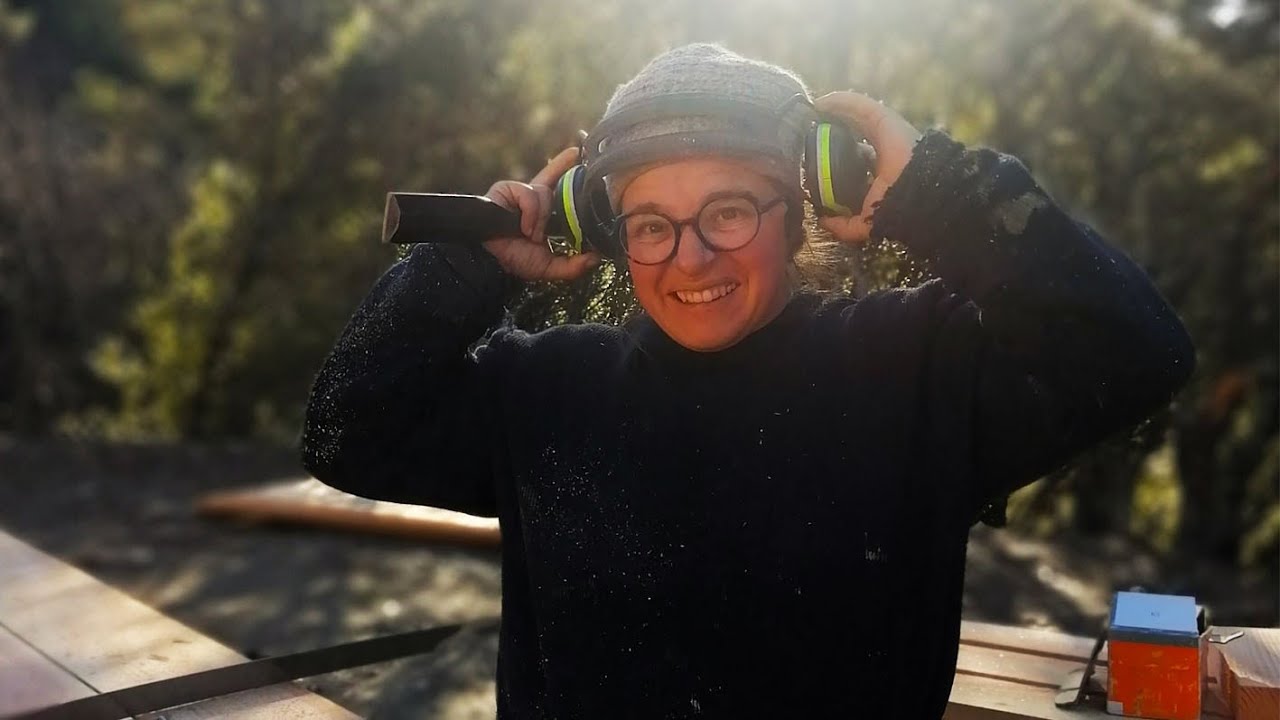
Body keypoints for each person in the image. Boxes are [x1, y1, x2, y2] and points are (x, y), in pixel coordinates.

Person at [300, 44, 1195, 719]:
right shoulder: (546, 393)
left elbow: (1131, 349)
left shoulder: (917, 371)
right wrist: (467, 268)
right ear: (608, 235)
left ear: (802, 206)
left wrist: (945, 192)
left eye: (728, 210)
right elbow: (347, 432)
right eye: (651, 223)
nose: (689, 256)